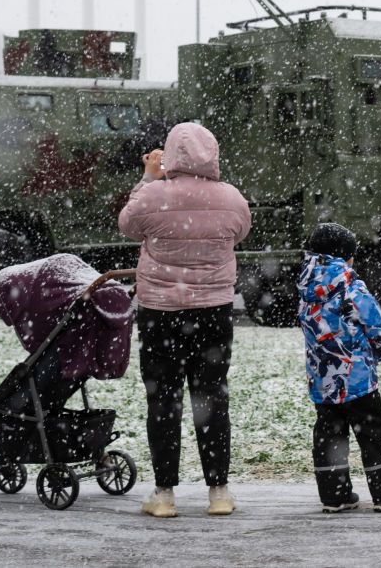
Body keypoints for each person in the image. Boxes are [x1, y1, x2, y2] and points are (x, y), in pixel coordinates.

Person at [118, 122, 251, 517]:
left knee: (163, 400)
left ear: (171, 154)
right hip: (214, 313)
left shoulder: (152, 197)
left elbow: (128, 225)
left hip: (161, 313)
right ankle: (219, 492)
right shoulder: (231, 199)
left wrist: (149, 177)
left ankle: (164, 494)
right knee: (212, 396)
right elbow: (239, 233)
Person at [297, 222, 381, 513]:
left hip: (323, 377)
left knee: (329, 433)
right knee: (373, 431)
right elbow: (376, 324)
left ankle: (334, 494)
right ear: (343, 256)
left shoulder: (306, 287)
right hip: (357, 377)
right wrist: (379, 351)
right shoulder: (350, 285)